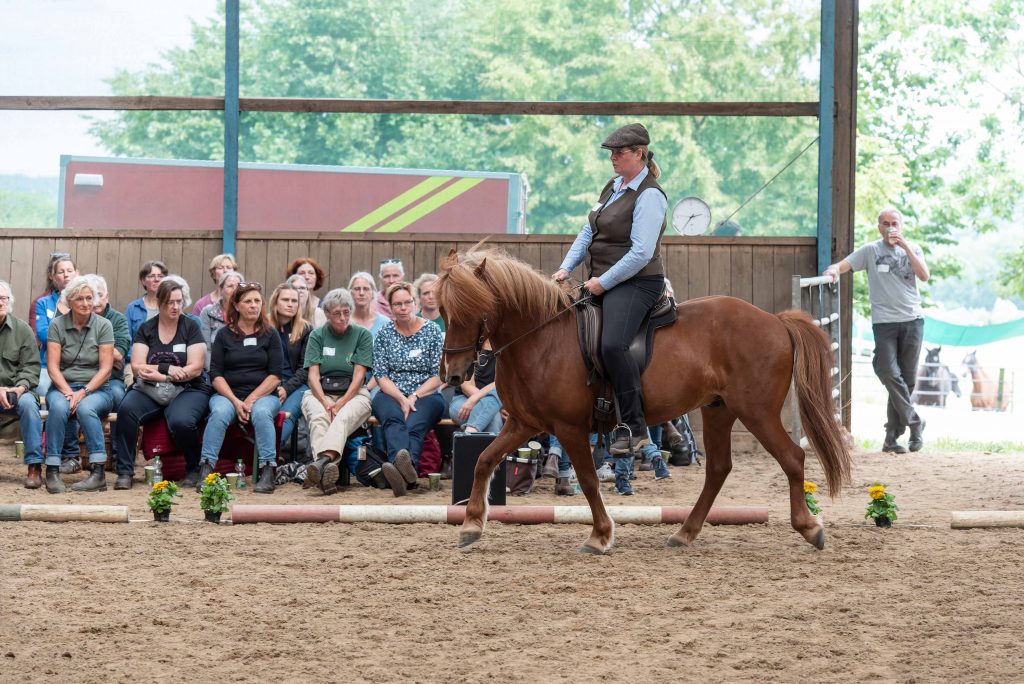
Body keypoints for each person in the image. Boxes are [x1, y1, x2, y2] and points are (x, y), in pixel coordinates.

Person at [552, 123, 669, 467]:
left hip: (637, 282)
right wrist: (565, 268)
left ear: (639, 154)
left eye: (619, 153)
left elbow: (641, 253)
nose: (613, 159)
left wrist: (603, 283)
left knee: (612, 344)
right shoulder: (613, 186)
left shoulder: (650, 195)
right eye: (611, 154)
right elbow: (588, 230)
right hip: (600, 280)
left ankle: (634, 427)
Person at [824, 207, 930, 452]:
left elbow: (924, 276)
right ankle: (915, 422)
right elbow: (844, 265)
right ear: (878, 226)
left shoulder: (912, 248)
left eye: (894, 223)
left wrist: (905, 247)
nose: (890, 227)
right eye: (885, 223)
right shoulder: (871, 250)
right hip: (884, 323)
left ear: (901, 225)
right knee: (887, 370)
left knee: (907, 380)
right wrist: (832, 271)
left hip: (913, 320)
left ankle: (891, 439)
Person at [113, 279, 211, 489]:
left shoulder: (191, 326)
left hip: (189, 388)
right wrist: (167, 371)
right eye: (170, 302)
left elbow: (195, 367)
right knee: (126, 409)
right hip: (152, 387)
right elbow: (138, 367)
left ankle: (193, 468)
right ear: (159, 303)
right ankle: (124, 471)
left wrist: (159, 373)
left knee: (181, 420)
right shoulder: (146, 328)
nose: (176, 307)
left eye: (179, 301)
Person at [199, 281, 283, 494]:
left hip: (264, 395)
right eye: (248, 301)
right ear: (236, 305)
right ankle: (206, 468)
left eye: (257, 301)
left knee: (262, 413)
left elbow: (275, 376)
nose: (254, 305)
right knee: (218, 412)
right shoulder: (224, 335)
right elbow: (216, 375)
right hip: (228, 395)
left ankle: (267, 470)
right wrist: (236, 402)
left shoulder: (270, 334)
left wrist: (250, 400)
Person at [371, 282, 444, 496]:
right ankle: (407, 471)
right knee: (393, 420)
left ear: (415, 303)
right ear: (391, 308)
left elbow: (438, 375)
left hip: (427, 394)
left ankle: (402, 469)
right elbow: (381, 375)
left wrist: (414, 396)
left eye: (407, 302)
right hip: (390, 392)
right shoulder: (384, 333)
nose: (402, 308)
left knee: (413, 424)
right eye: (397, 304)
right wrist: (402, 399)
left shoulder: (432, 330)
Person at [44, 276, 116, 493]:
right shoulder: (57, 325)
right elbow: (53, 367)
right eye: (80, 299)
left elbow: (106, 369)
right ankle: (53, 470)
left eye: (89, 298)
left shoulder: (104, 325)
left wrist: (83, 393)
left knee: (86, 408)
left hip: (97, 388)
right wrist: (69, 392)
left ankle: (98, 473)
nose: (86, 303)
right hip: (62, 386)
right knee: (58, 407)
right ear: (69, 301)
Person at [301, 288, 374, 495]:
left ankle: (321, 462)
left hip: (355, 393)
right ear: (327, 314)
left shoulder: (362, 335)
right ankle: (326, 472)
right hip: (320, 392)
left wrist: (340, 403)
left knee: (342, 417)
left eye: (346, 312)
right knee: (318, 417)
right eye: (336, 313)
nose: (342, 318)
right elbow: (312, 376)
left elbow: (359, 376)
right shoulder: (317, 335)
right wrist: (325, 402)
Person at [0, 280, 45, 489]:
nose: (0, 302)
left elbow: (31, 367)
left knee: (29, 405)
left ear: (9, 301)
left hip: (18, 391)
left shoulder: (22, 330)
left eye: (3, 298)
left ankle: (34, 466)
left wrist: (19, 387)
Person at [267, 282, 312, 447]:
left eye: (294, 301)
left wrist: (286, 389)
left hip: (298, 384)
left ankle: (271, 456)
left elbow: (306, 368)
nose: (290, 304)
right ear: (275, 302)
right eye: (285, 299)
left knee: (286, 414)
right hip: (267, 382)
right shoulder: (263, 327)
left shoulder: (306, 329)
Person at [33, 253, 78, 395]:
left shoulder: (85, 302)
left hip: (79, 366)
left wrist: (59, 336)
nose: (66, 275)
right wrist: (72, 337)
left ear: (76, 273)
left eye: (70, 271)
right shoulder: (43, 303)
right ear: (52, 277)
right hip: (47, 365)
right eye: (61, 271)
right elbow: (43, 334)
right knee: (41, 388)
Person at [448, 342, 501, 433]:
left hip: (495, 402)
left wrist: (477, 398)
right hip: (463, 400)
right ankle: (471, 435)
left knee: (492, 416)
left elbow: (501, 384)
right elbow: (466, 386)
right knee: (493, 417)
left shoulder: (509, 347)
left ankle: (469, 436)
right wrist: (493, 405)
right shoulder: (467, 344)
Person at [199, 270, 243, 367]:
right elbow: (206, 349)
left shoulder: (246, 313)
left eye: (238, 286)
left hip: (241, 369)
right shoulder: (208, 312)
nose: (235, 290)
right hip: (214, 368)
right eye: (230, 286)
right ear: (221, 289)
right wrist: (214, 374)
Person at [125, 260, 168, 340]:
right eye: (151, 276)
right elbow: (127, 340)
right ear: (143, 281)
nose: (156, 279)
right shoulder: (133, 308)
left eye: (161, 276)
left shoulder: (171, 305)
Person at [348, 272, 390, 337]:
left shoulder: (385, 323)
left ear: (373, 293)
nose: (361, 293)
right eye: (357, 289)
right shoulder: (344, 322)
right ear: (351, 293)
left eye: (366, 289)